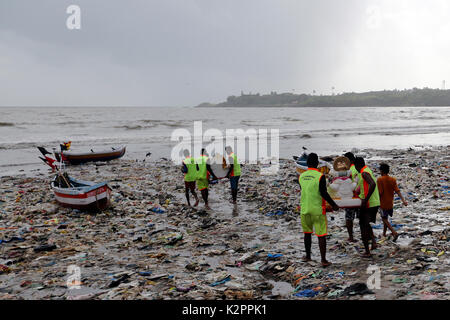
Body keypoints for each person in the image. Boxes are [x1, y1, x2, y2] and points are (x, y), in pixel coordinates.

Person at [299, 153, 339, 267]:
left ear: (307, 163)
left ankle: (307, 256)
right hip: (317, 209)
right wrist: (334, 205)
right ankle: (323, 260)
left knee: (307, 233)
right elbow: (323, 193)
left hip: (304, 209)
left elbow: (304, 190)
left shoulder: (301, 176)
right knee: (321, 234)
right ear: (317, 163)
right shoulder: (320, 176)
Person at [354, 157, 380, 258]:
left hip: (369, 203)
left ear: (357, 165)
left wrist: (366, 199)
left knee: (363, 226)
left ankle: (367, 252)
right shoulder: (366, 170)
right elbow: (363, 186)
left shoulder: (364, 173)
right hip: (374, 202)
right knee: (366, 224)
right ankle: (373, 243)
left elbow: (372, 184)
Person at [377, 163, 408, 241]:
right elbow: (397, 191)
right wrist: (403, 200)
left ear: (381, 171)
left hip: (382, 203)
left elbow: (380, 193)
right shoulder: (393, 180)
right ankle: (384, 233)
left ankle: (394, 232)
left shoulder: (380, 179)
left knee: (384, 218)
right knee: (386, 218)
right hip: (390, 202)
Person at [343, 152, 359, 242]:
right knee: (362, 219)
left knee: (349, 218)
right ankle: (368, 236)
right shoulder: (357, 169)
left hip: (351, 197)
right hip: (360, 197)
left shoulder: (348, 170)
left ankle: (351, 237)